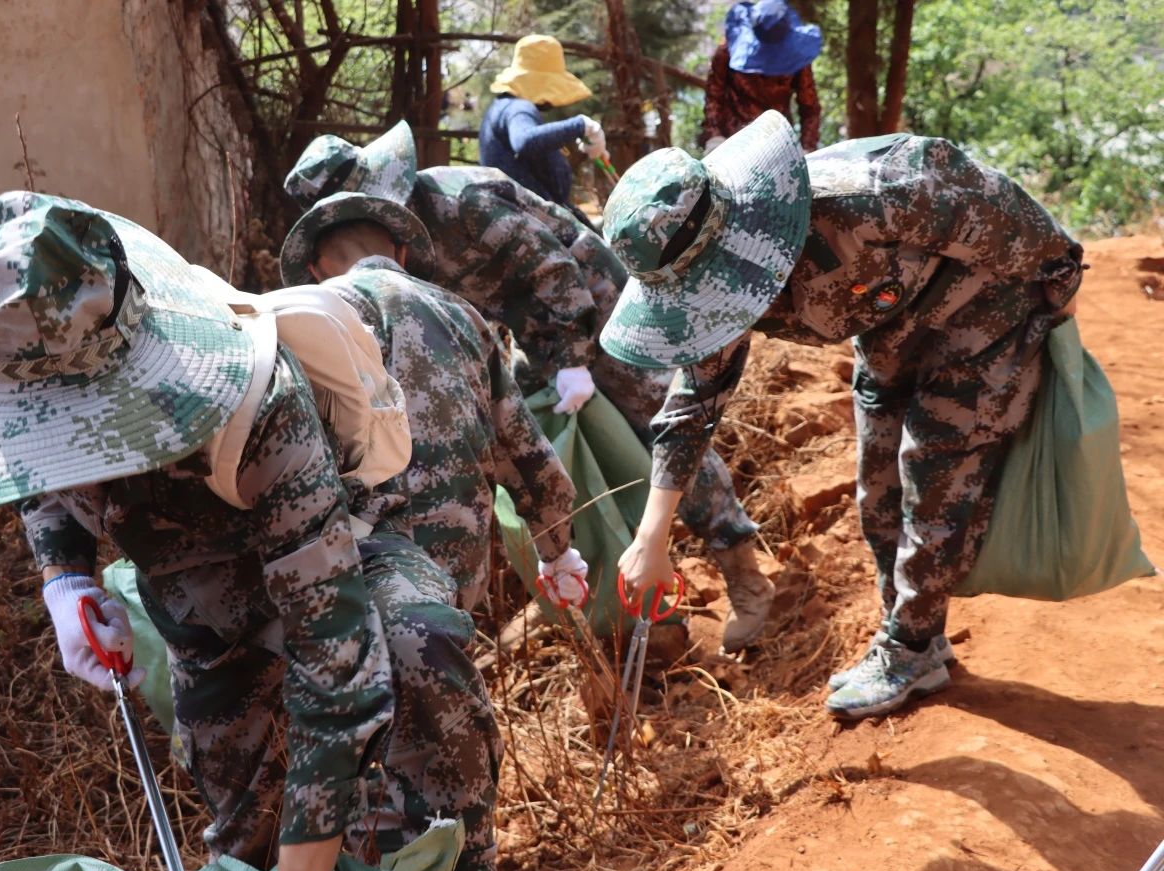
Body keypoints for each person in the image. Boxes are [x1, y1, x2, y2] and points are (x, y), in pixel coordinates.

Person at [0, 191, 504, 871]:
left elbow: (333, 658)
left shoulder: (259, 403)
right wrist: (66, 575)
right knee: (244, 847)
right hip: (204, 617)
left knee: (418, 641)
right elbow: (36, 465)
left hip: (342, 557)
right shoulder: (18, 380)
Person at [600, 111, 1084, 720]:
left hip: (980, 325)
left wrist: (1053, 294)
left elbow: (1001, 213)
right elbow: (694, 403)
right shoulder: (712, 290)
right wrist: (652, 537)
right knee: (876, 497)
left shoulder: (874, 195)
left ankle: (909, 650)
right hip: (886, 341)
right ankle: (915, 630)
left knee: (932, 484)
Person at [284, 122, 776, 652]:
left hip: (597, 306)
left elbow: (554, 270)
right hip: (528, 335)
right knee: (533, 440)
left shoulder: (463, 204)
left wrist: (572, 359)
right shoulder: (375, 260)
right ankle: (577, 580)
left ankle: (743, 572)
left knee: (662, 426)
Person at [281, 190, 586, 616]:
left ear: (313, 269)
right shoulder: (462, 315)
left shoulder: (302, 322)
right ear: (402, 252)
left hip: (354, 566)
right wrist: (558, 552)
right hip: (459, 567)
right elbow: (523, 449)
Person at [478, 34, 608, 224]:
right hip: (529, 222)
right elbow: (525, 141)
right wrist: (581, 125)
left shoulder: (502, 107)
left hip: (524, 216)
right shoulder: (518, 108)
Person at [700, 0, 822, 154]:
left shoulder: (797, 58)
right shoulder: (728, 50)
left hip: (776, 141)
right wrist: (714, 136)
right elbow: (714, 95)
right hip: (732, 141)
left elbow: (809, 107)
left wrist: (808, 147)